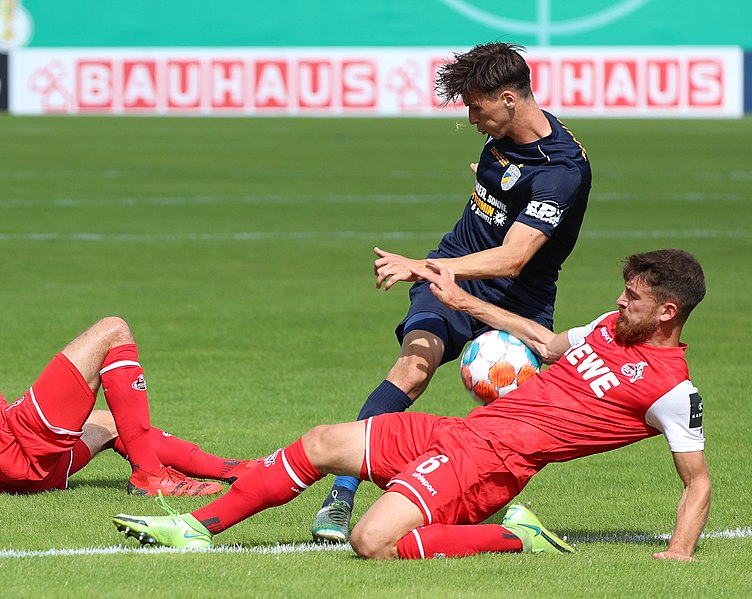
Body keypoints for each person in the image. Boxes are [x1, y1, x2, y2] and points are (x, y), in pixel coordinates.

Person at [113, 248, 709, 562]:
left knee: (372, 542)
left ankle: (516, 538)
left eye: (631, 298)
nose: (618, 301)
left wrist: (680, 553)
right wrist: (459, 299)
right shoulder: (608, 328)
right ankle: (197, 528)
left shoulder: (672, 390)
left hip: (493, 462)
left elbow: (697, 481)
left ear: (666, 312)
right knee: (323, 439)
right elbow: (546, 343)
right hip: (463, 431)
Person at [311, 41, 593, 542]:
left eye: (476, 105)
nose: (469, 116)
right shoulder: (508, 131)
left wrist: (421, 266)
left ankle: (464, 507)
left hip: (517, 299)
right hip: (454, 268)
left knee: (511, 422)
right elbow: (503, 186)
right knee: (413, 366)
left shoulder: (561, 172)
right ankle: (341, 494)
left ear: (509, 98)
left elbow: (514, 258)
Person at [0, 316, 250, 495]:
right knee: (114, 330)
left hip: (25, 472)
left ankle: (231, 469)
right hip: (17, 448)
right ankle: (150, 476)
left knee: (109, 422)